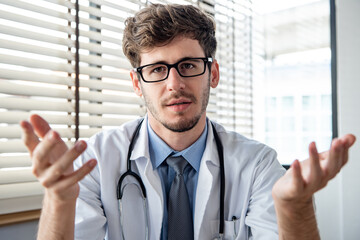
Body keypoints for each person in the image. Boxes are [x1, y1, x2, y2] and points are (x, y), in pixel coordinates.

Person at [20, 3, 355, 240]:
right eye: (156, 69)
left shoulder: (257, 165)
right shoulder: (94, 159)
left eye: (189, 65)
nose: (174, 84)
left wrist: (294, 206)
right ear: (137, 83)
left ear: (213, 73)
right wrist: (59, 201)